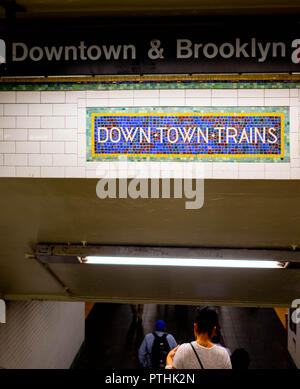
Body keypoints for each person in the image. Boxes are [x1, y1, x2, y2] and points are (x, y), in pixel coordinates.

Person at [166, 306, 232, 369]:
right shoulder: (224, 354)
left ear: (195, 327)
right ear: (214, 331)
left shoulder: (182, 350)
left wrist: (169, 359)